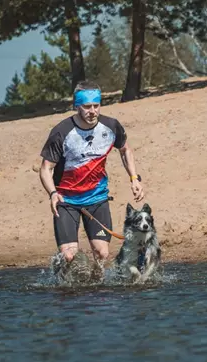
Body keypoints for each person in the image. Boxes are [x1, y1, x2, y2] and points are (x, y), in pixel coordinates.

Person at [39, 80, 144, 281]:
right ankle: (62, 282)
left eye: (96, 105)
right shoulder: (61, 132)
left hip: (96, 198)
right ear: (76, 106)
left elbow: (125, 150)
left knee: (102, 254)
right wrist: (53, 194)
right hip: (66, 201)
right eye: (87, 107)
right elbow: (45, 169)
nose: (92, 111)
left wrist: (134, 178)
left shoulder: (111, 126)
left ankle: (96, 284)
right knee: (69, 256)